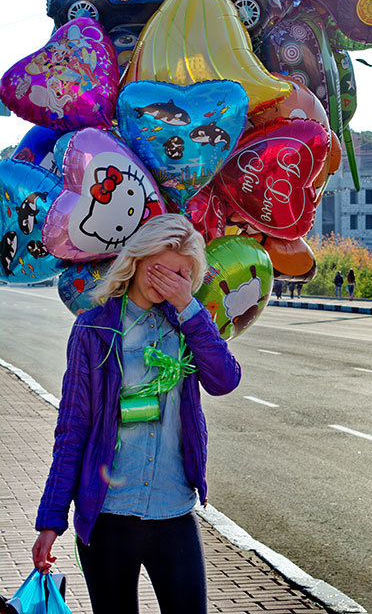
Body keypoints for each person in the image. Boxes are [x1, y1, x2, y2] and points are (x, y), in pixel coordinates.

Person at [32, 214, 241, 614]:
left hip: (173, 512)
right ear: (137, 260)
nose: (166, 280)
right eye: (158, 267)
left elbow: (225, 380)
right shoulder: (93, 330)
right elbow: (72, 428)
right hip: (108, 517)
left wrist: (190, 308)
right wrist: (51, 519)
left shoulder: (188, 327)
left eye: (180, 274)